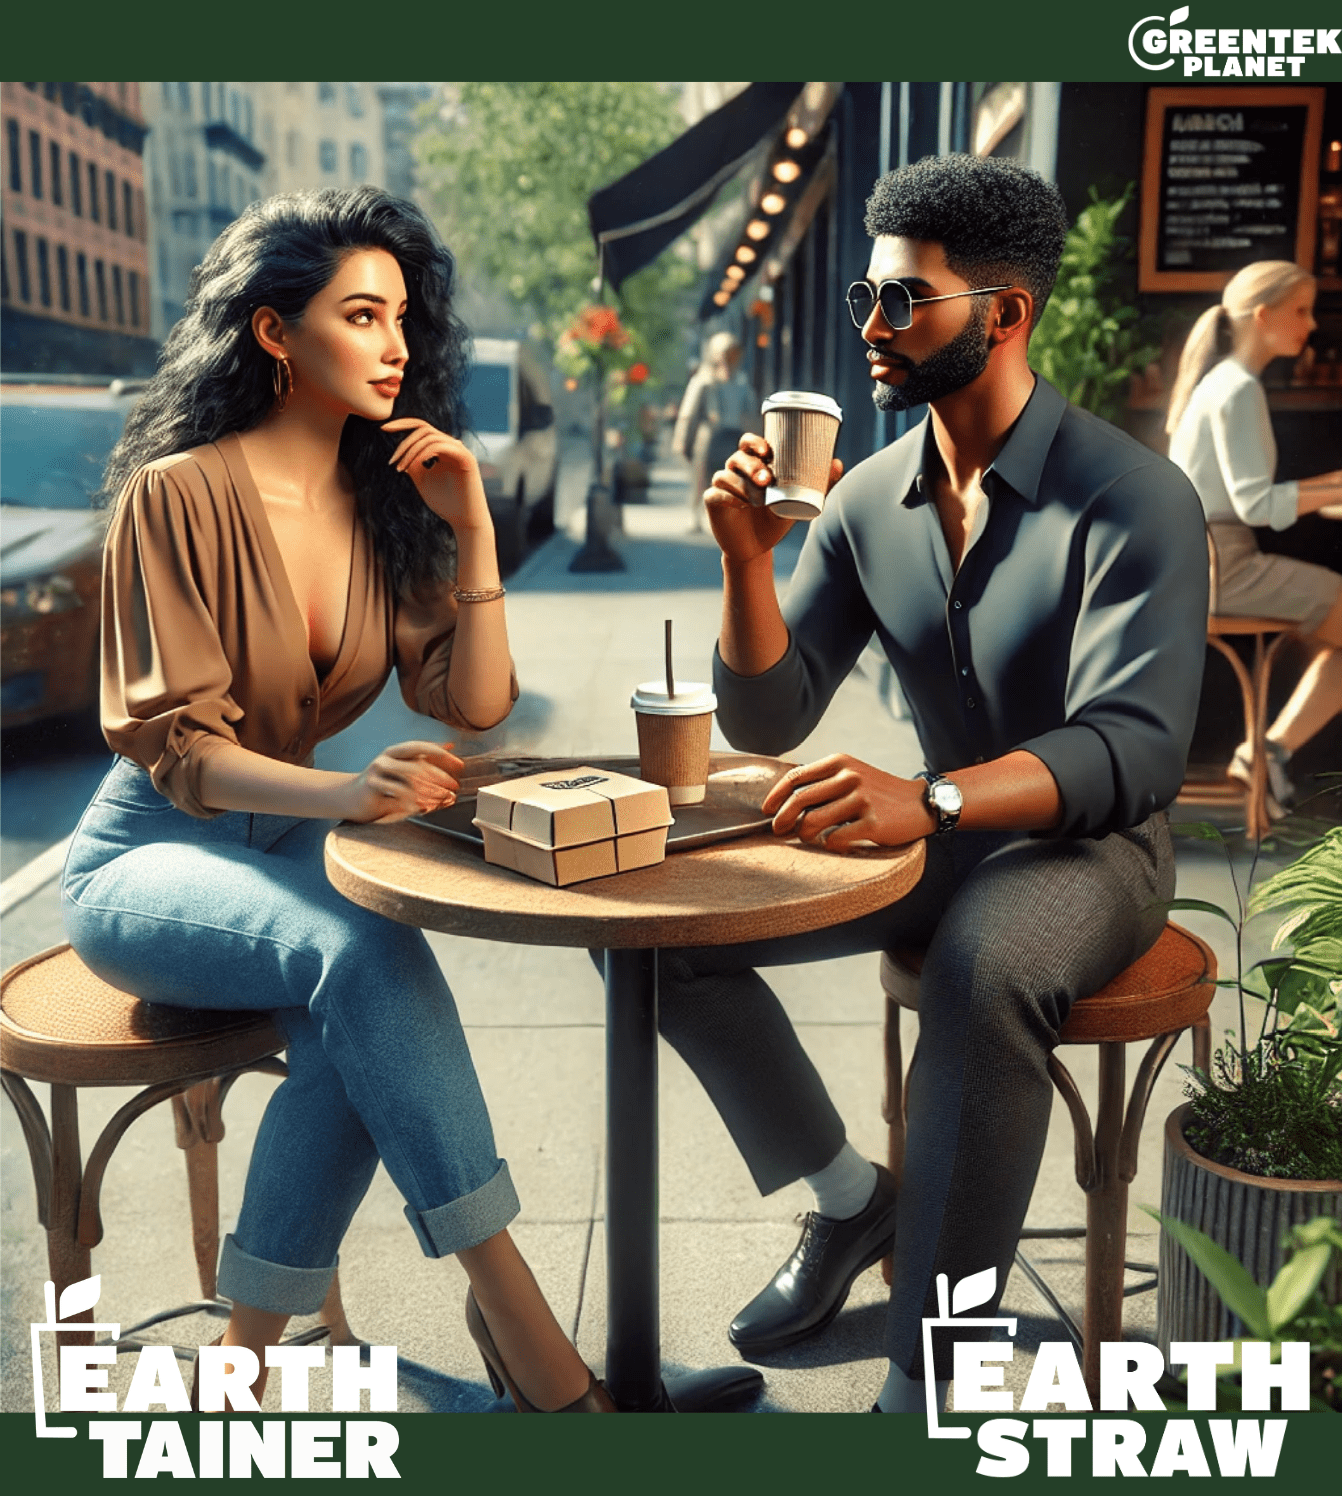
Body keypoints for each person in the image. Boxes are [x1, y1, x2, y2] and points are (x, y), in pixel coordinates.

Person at [652, 154, 1209, 1411]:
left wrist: (939, 797)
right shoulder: (864, 498)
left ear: (1004, 314)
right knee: (660, 923)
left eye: (905, 300)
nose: (869, 327)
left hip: (1095, 845)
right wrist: (747, 563)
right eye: (865, 296)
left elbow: (1134, 747)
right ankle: (852, 1202)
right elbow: (772, 708)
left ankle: (925, 1386)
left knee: (982, 959)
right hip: (939, 825)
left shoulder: (1131, 498)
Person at [62, 188, 613, 1414]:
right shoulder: (178, 493)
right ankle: (540, 1356)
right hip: (151, 851)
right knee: (364, 950)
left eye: (403, 317)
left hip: (290, 842)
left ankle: (240, 1369)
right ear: (273, 332)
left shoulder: (379, 503)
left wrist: (470, 531)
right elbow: (182, 752)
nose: (395, 344)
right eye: (360, 314)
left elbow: (470, 704)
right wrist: (342, 789)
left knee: (358, 1018)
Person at [1165, 260, 1342, 814]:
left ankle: (1266, 751)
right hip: (1225, 568)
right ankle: (1267, 751)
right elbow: (1255, 503)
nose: (1311, 325)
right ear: (1263, 315)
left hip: (1209, 559)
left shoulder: (1225, 382)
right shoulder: (1238, 388)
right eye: (1300, 310)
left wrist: (1329, 486)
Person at [671, 332, 758, 532]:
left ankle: (731, 519)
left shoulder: (742, 384)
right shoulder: (704, 381)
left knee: (735, 480)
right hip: (709, 438)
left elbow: (751, 412)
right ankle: (695, 516)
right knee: (701, 477)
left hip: (734, 437)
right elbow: (688, 414)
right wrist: (682, 441)